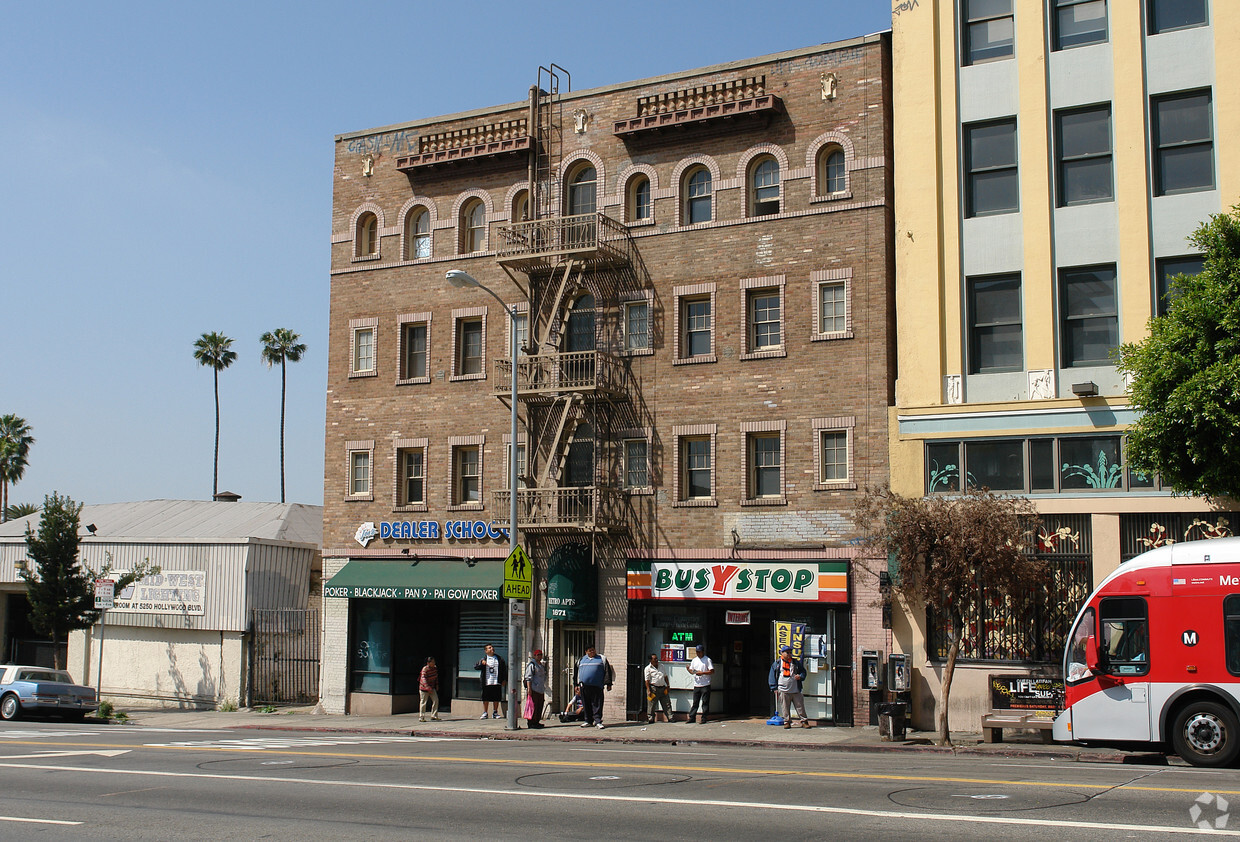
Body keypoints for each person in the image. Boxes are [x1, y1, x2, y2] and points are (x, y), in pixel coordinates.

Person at [769, 644, 811, 729]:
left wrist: (800, 676)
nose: (789, 654)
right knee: (785, 707)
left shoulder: (795, 662)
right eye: (787, 653)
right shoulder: (777, 663)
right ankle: (787, 722)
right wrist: (773, 687)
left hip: (795, 689)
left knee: (800, 706)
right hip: (783, 689)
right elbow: (772, 675)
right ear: (782, 653)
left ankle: (804, 721)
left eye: (790, 652)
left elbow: (803, 672)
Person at [574, 644, 614, 729]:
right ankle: (588, 720)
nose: (592, 652)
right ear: (586, 652)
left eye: (593, 650)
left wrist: (608, 684)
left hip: (597, 686)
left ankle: (598, 721)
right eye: (590, 650)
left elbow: (607, 671)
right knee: (586, 703)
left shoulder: (601, 659)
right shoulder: (581, 660)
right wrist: (576, 684)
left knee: (597, 704)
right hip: (584, 686)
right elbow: (576, 673)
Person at [474, 643, 507, 720]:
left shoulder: (499, 659)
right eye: (489, 648)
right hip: (487, 681)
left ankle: (495, 712)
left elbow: (504, 670)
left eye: (492, 647)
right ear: (486, 651)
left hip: (496, 681)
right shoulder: (484, 659)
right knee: (486, 697)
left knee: (496, 697)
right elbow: (476, 667)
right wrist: (481, 663)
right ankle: (485, 712)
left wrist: (504, 679)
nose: (491, 649)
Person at [686, 644, 714, 724]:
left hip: (705, 684)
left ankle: (704, 718)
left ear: (702, 652)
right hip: (697, 684)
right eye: (697, 652)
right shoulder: (694, 660)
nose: (698, 653)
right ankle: (692, 717)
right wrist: (689, 670)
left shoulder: (707, 660)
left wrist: (703, 673)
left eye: (699, 652)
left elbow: (712, 671)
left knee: (705, 702)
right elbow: (692, 671)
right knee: (695, 702)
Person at [643, 653, 672, 724]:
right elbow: (647, 680)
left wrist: (668, 685)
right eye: (654, 659)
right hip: (653, 688)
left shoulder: (661, 666)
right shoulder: (648, 668)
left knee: (667, 703)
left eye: (656, 658)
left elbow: (665, 676)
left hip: (662, 687)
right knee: (651, 704)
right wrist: (648, 690)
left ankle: (670, 717)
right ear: (650, 660)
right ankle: (651, 718)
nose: (656, 660)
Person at [523, 649, 547, 729]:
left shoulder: (541, 665)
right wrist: (529, 689)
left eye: (540, 655)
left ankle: (537, 721)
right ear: (534, 656)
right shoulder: (532, 665)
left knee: (539, 706)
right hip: (533, 689)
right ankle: (531, 722)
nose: (539, 656)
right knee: (533, 706)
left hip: (540, 689)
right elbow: (528, 678)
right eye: (538, 655)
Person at [418, 656, 440, 722]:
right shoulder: (425, 669)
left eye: (434, 662)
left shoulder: (435, 668)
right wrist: (427, 688)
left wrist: (437, 685)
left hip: (432, 687)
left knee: (436, 700)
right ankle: (421, 717)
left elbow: (436, 677)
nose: (434, 663)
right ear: (428, 663)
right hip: (424, 688)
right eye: (432, 662)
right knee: (423, 702)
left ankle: (434, 715)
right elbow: (423, 679)